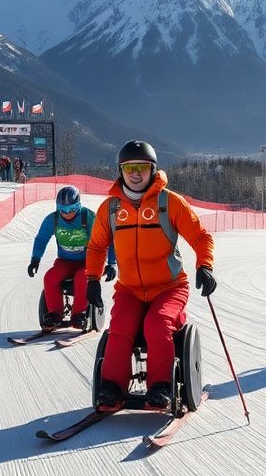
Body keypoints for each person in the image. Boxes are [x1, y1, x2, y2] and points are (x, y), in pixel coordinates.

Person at [85, 140, 215, 412]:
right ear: (120, 170)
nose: (135, 173)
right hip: (130, 288)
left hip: (169, 287)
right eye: (129, 167)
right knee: (120, 327)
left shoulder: (169, 203)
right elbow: (97, 246)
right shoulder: (110, 209)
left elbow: (201, 236)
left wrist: (205, 265)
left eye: (142, 167)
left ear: (153, 170)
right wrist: (92, 279)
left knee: (157, 324)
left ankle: (161, 387)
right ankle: (112, 387)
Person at [27, 186, 103, 331]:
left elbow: (105, 240)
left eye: (71, 210)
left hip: (88, 261)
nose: (67, 214)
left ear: (78, 206)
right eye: (63, 210)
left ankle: (78, 314)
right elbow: (41, 239)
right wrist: (35, 259)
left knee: (82, 277)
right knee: (50, 277)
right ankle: (55, 314)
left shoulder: (88, 217)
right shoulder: (53, 219)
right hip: (66, 261)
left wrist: (110, 263)